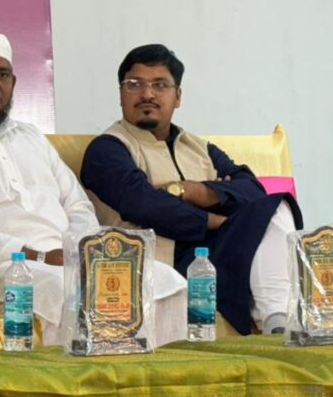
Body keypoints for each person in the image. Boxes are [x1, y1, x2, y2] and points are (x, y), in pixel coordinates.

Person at [0, 30, 187, 349]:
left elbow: (77, 205)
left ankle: (164, 378)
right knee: (65, 290)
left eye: (2, 74)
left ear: (13, 83)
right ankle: (80, 380)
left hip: (68, 259)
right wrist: (37, 255)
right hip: (1, 267)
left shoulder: (31, 138)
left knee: (167, 280)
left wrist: (78, 251)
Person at [82, 43, 302, 335]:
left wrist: (192, 191)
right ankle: (279, 322)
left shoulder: (198, 148)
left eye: (160, 85)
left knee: (276, 205)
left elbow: (252, 190)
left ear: (178, 97)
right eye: (134, 84)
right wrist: (223, 219)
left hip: (215, 254)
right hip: (159, 266)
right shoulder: (108, 149)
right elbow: (145, 206)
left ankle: (278, 322)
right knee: (266, 217)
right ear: (121, 93)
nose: (147, 94)